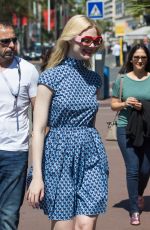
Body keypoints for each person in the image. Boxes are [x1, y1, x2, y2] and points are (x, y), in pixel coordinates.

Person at [26, 14, 109, 230]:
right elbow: (38, 128)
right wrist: (37, 176)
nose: (92, 46)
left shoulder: (94, 79)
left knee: (85, 225)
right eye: (86, 41)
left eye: (96, 41)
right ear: (70, 38)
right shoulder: (50, 77)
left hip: (91, 152)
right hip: (58, 154)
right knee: (64, 226)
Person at [0, 21, 39, 230]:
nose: (12, 45)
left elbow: (40, 115)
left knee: (8, 214)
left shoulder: (28, 70)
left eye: (14, 40)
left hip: (15, 151)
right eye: (5, 41)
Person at [111, 44, 150, 226]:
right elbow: (113, 104)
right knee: (133, 168)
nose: (140, 60)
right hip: (125, 128)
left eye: (143, 57)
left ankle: (139, 194)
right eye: (136, 57)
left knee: (145, 169)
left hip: (148, 129)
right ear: (131, 59)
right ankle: (134, 209)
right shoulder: (122, 81)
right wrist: (125, 103)